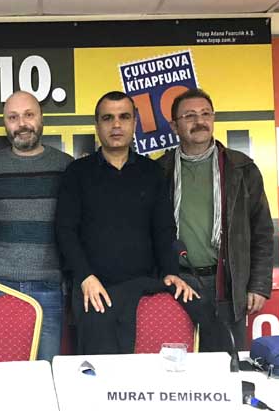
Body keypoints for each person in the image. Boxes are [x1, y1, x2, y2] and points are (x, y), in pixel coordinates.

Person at [56, 91, 206, 355]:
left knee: (145, 370)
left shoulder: (152, 172)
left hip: (144, 292)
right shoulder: (76, 173)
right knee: (98, 371)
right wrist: (84, 277)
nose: (116, 125)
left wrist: (171, 271)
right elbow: (65, 231)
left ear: (135, 123)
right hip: (94, 291)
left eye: (124, 117)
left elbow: (163, 229)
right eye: (108, 118)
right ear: (97, 125)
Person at [159, 87, 274, 351]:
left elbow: (262, 231)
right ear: (174, 126)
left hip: (226, 282)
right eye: (189, 116)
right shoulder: (159, 170)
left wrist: (258, 285)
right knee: (175, 366)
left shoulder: (241, 169)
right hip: (178, 283)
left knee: (225, 364)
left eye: (205, 114)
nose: (199, 121)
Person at [0, 91, 72, 361]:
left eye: (29, 115)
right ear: (5, 123)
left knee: (45, 370)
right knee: (0, 372)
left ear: (41, 118)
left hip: (48, 285)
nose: (22, 124)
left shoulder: (65, 167)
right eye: (13, 117)